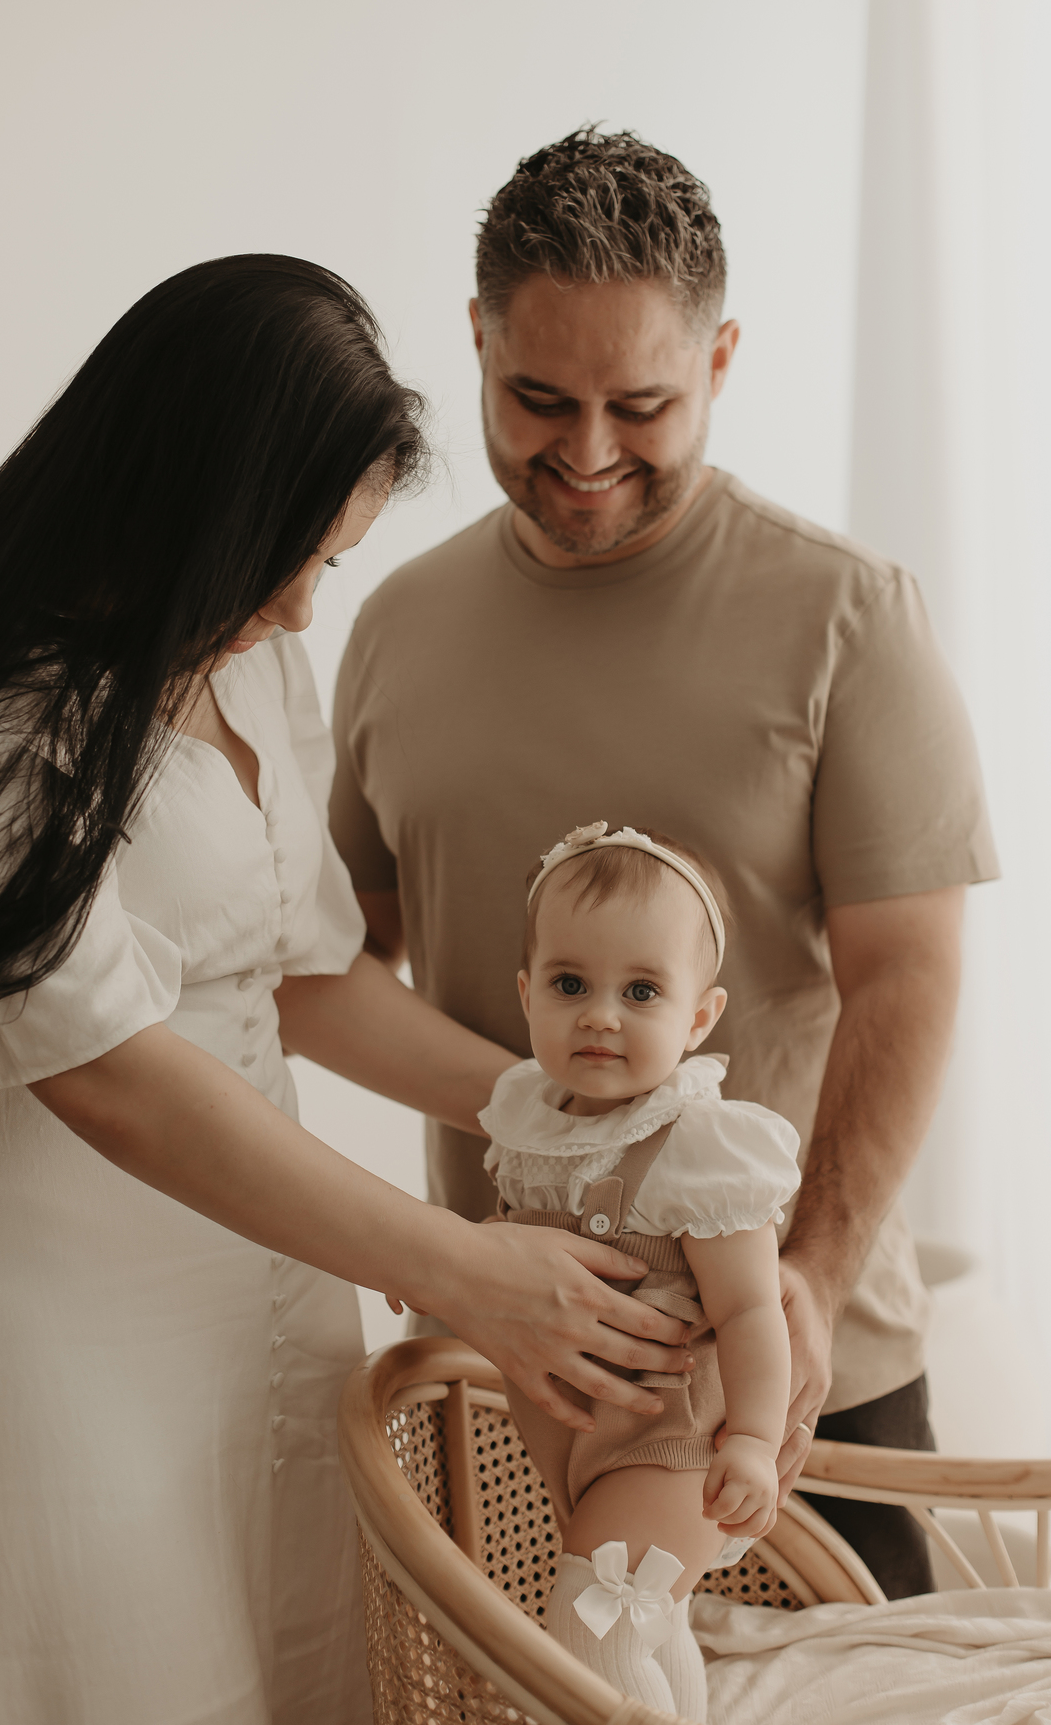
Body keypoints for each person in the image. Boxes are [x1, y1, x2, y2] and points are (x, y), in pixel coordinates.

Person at [0, 255, 690, 1725]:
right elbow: (108, 1074)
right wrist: (458, 1265)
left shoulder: (242, 655)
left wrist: (579, 1111)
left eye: (332, 562)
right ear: (186, 498)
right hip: (48, 1325)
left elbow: (305, 978)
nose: (305, 608)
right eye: (289, 555)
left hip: (264, 1280)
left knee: (293, 1665)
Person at [330, 129, 1000, 1598]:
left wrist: (811, 1277)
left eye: (640, 405)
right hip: (512, 1375)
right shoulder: (394, 628)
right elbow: (334, 965)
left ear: (721, 361)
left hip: (798, 1380)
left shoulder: (849, 618)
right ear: (477, 340)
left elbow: (907, 979)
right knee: (528, 1691)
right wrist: (454, 1214)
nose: (585, 453)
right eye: (539, 399)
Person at [478, 820, 800, 1718]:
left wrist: (753, 1441)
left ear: (698, 1017)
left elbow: (750, 1311)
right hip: (575, 1441)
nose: (600, 1014)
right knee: (649, 1627)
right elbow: (509, 1250)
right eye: (569, 984)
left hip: (674, 1443)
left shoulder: (699, 1147)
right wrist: (435, 1258)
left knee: (594, 1630)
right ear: (527, 994)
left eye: (642, 991)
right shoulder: (529, 1121)